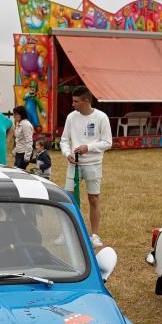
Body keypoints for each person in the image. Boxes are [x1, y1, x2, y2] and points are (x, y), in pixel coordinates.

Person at [60, 85, 112, 248]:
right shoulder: (71, 117)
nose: (73, 104)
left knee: (93, 198)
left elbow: (107, 142)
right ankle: (67, 233)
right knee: (68, 199)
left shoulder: (101, 117)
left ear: (86, 101)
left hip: (93, 164)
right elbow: (63, 140)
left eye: (76, 101)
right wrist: (67, 153)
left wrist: (87, 148)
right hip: (74, 165)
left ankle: (94, 235)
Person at [13, 105, 34, 169]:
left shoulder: (25, 124)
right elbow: (19, 140)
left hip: (24, 153)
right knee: (16, 171)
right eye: (14, 114)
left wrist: (27, 156)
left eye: (16, 114)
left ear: (21, 114)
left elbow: (29, 141)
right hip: (19, 152)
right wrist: (15, 150)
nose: (14, 116)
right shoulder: (19, 124)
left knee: (19, 173)